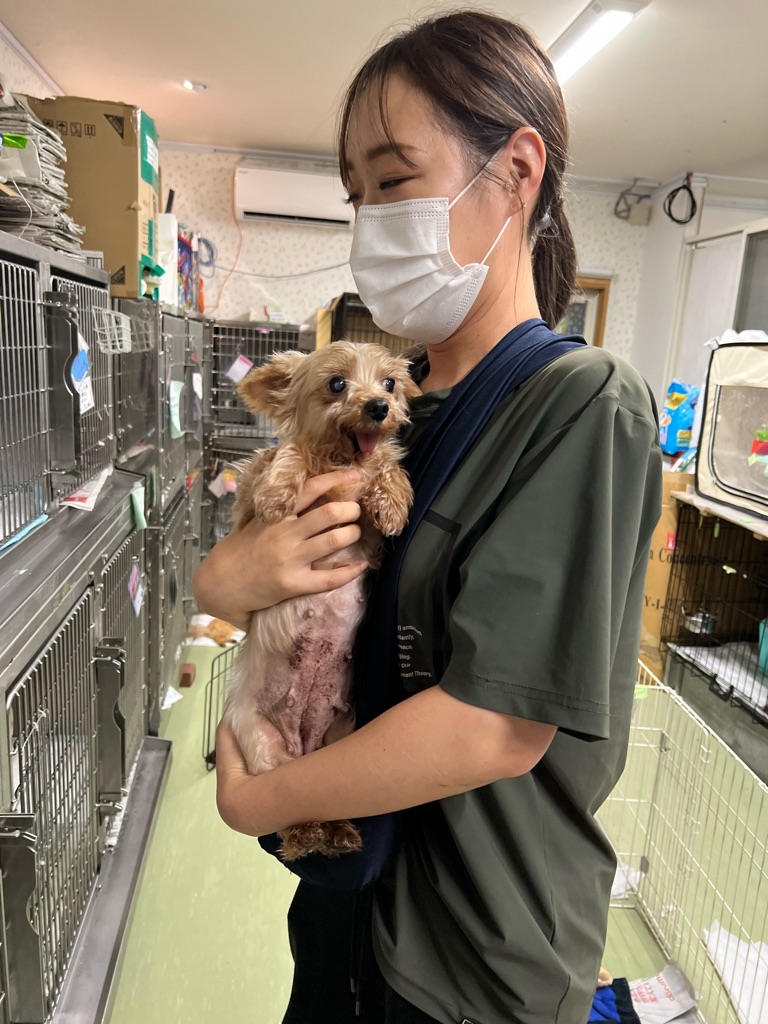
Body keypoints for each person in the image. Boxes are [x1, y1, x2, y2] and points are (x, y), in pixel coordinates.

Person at [194, 10, 663, 1024]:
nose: (371, 221)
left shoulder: (582, 403)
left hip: (467, 958)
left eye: (395, 181)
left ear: (518, 170)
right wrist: (222, 579)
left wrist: (258, 797)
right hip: (348, 906)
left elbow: (494, 724)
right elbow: (285, 573)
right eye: (356, 196)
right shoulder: (405, 411)